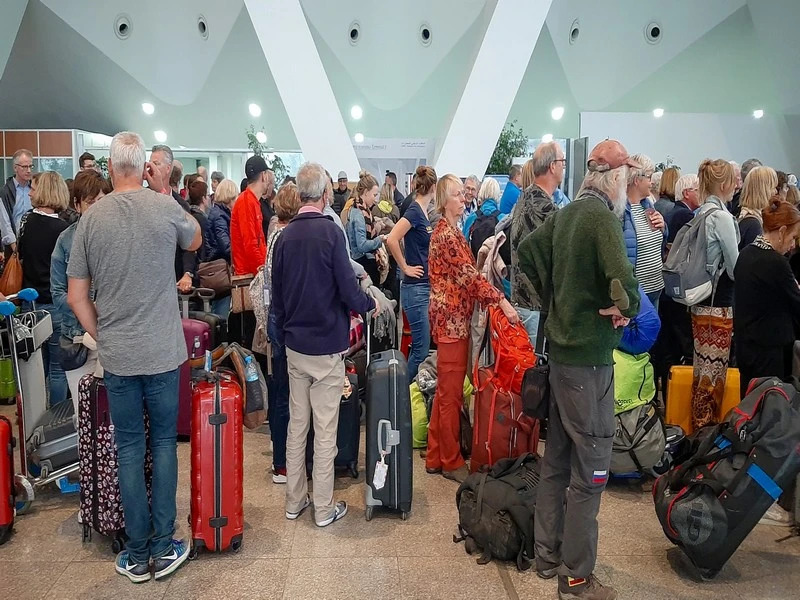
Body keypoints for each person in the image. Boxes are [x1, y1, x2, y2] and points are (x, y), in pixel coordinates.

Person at [67, 131, 201, 583]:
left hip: (119, 355)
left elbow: (76, 296)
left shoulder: (90, 220)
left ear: (108, 167)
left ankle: (136, 551)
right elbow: (195, 239)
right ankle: (164, 548)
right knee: (164, 443)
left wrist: (102, 333)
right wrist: (163, 191)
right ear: (144, 166)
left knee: (129, 447)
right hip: (163, 349)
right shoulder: (164, 206)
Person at [518, 139, 641, 600]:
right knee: (591, 470)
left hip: (561, 359)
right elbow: (625, 281)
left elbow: (525, 250)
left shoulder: (566, 214)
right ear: (614, 176)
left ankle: (547, 558)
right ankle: (576, 575)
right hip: (588, 364)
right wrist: (619, 306)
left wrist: (554, 303)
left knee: (556, 463)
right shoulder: (601, 218)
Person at [271, 161, 378, 527]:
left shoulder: (284, 237)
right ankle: (323, 507)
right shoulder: (331, 234)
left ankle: (293, 501)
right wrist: (368, 303)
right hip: (326, 346)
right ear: (325, 194)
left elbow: (278, 297)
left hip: (295, 346)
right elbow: (349, 290)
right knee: (326, 427)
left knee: (297, 426)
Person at [426, 173, 519, 483]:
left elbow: (466, 275)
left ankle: (435, 454)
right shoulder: (448, 235)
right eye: (456, 194)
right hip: (451, 323)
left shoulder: (449, 231)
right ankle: (450, 461)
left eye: (463, 193)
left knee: (445, 393)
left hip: (451, 320)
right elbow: (470, 278)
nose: (463, 198)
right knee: (450, 395)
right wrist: (501, 301)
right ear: (443, 200)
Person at [734, 197, 800, 528]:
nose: (792, 245)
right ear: (783, 230)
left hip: (748, 351)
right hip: (771, 354)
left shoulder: (747, 255)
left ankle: (748, 491)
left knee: (754, 422)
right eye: (793, 237)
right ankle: (766, 499)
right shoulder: (776, 264)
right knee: (771, 428)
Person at [51, 170, 110, 413]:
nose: (96, 207)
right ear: (77, 204)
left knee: (111, 418)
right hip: (76, 340)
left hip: (112, 338)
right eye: (90, 201)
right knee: (83, 417)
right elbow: (57, 294)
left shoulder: (116, 236)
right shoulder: (65, 241)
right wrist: (86, 306)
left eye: (101, 200)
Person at [689, 159, 739, 430]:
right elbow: (734, 268)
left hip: (699, 302)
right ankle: (705, 435)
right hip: (718, 307)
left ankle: (698, 433)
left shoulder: (700, 213)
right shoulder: (721, 218)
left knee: (701, 373)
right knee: (713, 377)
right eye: (733, 181)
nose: (736, 186)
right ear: (723, 184)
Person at [18, 171, 70, 406]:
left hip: (30, 303)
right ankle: (56, 422)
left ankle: (36, 414)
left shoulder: (26, 222)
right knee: (58, 369)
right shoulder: (63, 230)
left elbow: (20, 257)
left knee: (38, 368)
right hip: (56, 303)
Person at [264, 183, 301, 485]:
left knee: (280, 391)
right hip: (284, 324)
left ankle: (280, 459)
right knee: (284, 395)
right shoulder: (285, 238)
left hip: (275, 322)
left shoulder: (275, 233)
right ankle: (281, 463)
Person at [386, 166, 436, 382]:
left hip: (422, 287)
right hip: (415, 289)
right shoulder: (415, 211)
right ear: (434, 187)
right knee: (421, 350)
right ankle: (400, 392)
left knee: (420, 347)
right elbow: (391, 239)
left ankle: (403, 394)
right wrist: (405, 267)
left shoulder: (422, 211)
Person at [510, 142, 563, 346]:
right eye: (562, 162)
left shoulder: (526, 195)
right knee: (535, 372)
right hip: (535, 305)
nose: (563, 167)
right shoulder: (544, 208)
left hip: (525, 301)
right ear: (552, 166)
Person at [230, 155, 270, 348]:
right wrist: (265, 272)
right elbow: (250, 245)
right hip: (250, 281)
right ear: (263, 175)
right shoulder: (246, 202)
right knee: (252, 342)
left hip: (253, 276)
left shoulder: (251, 201)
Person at [623, 154, 666, 308]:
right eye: (649, 177)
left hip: (655, 287)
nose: (652, 182)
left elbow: (658, 239)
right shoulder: (621, 211)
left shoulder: (648, 206)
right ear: (637, 180)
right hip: (637, 292)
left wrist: (663, 227)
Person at [204, 178, 238, 316]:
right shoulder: (220, 217)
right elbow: (226, 246)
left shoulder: (216, 212)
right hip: (220, 269)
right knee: (220, 314)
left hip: (214, 266)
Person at [345, 172, 385, 285]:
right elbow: (362, 245)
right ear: (366, 192)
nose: (376, 199)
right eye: (374, 195)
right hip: (362, 262)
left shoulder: (361, 210)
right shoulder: (359, 214)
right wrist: (379, 240)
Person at [738, 166, 778, 249]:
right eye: (773, 187)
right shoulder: (753, 224)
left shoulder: (746, 217)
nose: (775, 192)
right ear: (763, 190)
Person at [1, 148, 34, 241]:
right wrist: (15, 248)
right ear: (15, 168)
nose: (28, 170)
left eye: (31, 166)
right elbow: (5, 223)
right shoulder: (5, 192)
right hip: (14, 241)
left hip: (33, 240)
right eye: (24, 167)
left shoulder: (35, 189)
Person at [462, 177, 502, 252]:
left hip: (475, 262)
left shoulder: (471, 219)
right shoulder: (503, 219)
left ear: (480, 192)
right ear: (497, 195)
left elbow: (463, 245)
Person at [666, 174, 700, 244]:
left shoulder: (673, 211)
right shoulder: (685, 215)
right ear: (686, 193)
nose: (702, 194)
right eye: (698, 190)